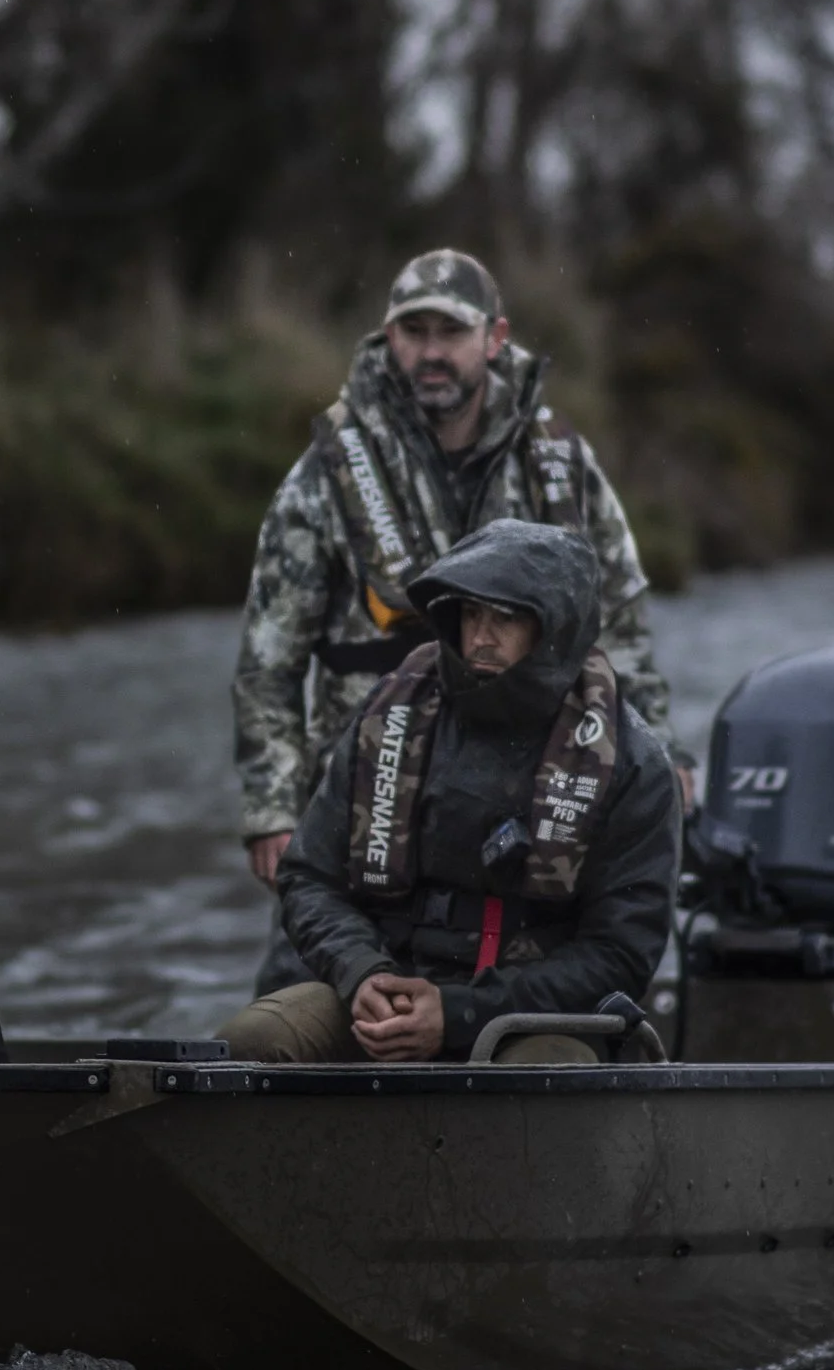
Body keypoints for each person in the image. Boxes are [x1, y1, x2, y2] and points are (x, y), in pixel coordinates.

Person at [231, 247, 684, 992]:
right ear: (387, 339)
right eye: (414, 332)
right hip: (361, 801)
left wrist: (664, 762)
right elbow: (268, 659)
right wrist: (271, 807)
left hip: (529, 791)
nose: (432, 352)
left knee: (544, 981)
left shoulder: (560, 462)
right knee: (298, 993)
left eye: (451, 331)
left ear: (495, 339)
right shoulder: (329, 472)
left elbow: (624, 628)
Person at [218, 518, 680, 1065]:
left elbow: (620, 954)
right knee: (252, 1045)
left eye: (506, 618)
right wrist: (363, 972)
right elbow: (309, 876)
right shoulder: (387, 719)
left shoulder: (630, 761)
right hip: (381, 990)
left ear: (556, 629)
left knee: (550, 1076)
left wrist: (458, 1012)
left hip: (530, 1015)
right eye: (471, 614)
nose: (482, 637)